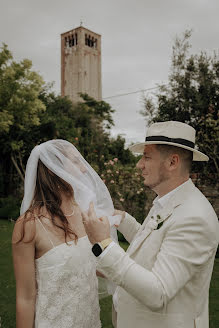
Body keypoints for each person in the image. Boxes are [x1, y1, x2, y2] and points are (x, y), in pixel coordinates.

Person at [82, 121, 219, 328]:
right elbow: (154, 244)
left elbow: (158, 293)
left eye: (146, 157)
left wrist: (103, 244)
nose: (139, 164)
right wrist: (123, 220)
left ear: (172, 162)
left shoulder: (194, 218)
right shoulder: (167, 200)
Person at [12, 139, 119, 328]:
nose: (85, 169)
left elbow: (89, 267)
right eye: (76, 162)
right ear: (54, 168)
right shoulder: (29, 224)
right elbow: (25, 298)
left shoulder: (86, 214)